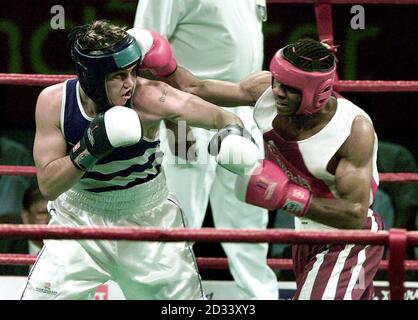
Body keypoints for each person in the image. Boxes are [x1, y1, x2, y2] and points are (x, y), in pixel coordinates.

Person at [21, 20, 260, 300]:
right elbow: (48, 186)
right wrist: (90, 148)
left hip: (148, 220)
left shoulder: (149, 96)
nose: (130, 83)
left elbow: (221, 116)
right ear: (92, 77)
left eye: (133, 71)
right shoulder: (54, 103)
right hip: (77, 222)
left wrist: (232, 136)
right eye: (119, 76)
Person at [168, 38, 385, 300]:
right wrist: (161, 65)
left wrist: (287, 196)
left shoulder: (352, 129)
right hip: (304, 234)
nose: (278, 91)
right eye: (276, 81)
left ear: (318, 92)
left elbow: (354, 214)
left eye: (290, 88)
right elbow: (194, 86)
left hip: (349, 240)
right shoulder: (267, 91)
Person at [134, 0, 278, 300]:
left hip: (244, 118)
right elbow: (143, 48)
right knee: (176, 222)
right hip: (186, 116)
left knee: (250, 225)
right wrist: (171, 119)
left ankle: (259, 299)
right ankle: (167, 301)